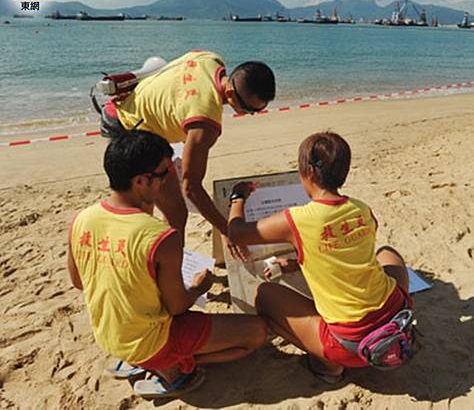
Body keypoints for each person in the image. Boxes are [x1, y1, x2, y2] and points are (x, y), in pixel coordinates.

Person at [67, 130, 267, 398]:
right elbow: (177, 305)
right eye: (165, 173)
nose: (169, 179)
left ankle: (141, 359)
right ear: (140, 181)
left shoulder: (81, 219)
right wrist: (199, 287)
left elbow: (79, 282)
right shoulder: (160, 237)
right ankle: (175, 369)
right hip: (151, 340)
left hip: (109, 334)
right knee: (256, 333)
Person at [226, 132, 412, 383]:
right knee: (387, 253)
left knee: (265, 294)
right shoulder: (361, 208)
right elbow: (342, 254)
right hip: (398, 316)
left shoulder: (297, 220)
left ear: (309, 173)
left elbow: (237, 233)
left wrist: (237, 198)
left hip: (349, 345)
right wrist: (296, 263)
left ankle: (329, 366)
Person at [100, 50, 276, 258]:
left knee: (167, 209)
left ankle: (162, 266)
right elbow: (191, 187)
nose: (250, 115)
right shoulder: (205, 123)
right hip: (129, 129)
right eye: (249, 110)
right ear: (230, 94)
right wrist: (227, 231)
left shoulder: (210, 58)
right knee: (172, 212)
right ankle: (168, 277)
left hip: (125, 107)